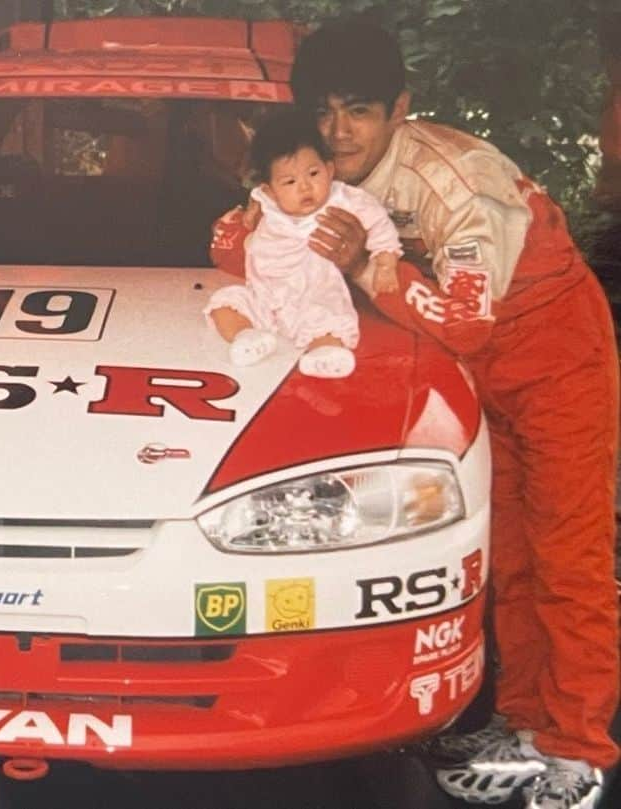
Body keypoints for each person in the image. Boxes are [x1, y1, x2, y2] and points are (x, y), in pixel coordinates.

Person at [210, 19, 619, 809]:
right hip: (475, 368)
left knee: (570, 553)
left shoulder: (452, 177)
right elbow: (238, 248)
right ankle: (526, 722)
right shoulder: (316, 170)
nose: (339, 131)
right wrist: (266, 218)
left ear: (400, 106)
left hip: (553, 346)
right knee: (512, 555)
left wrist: (362, 264)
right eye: (323, 110)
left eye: (359, 110)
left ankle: (579, 748)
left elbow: (468, 320)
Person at [205, 108, 401, 377]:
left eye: (313, 174)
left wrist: (386, 260)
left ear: (329, 170)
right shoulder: (267, 201)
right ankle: (247, 337)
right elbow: (254, 199)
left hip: (314, 291)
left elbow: (378, 222)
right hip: (265, 292)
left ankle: (325, 353)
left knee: (329, 320)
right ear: (271, 189)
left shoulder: (343, 200)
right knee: (224, 304)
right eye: (290, 181)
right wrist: (251, 211)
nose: (305, 188)